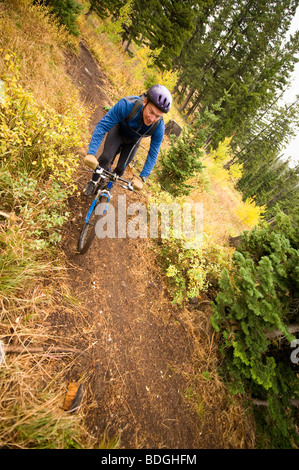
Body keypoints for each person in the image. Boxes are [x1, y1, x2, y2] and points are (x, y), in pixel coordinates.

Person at [83, 84, 172, 196]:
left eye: (157, 116)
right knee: (105, 158)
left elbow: (153, 153)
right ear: (145, 102)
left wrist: (142, 177)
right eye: (151, 112)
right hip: (118, 131)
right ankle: (93, 182)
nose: (152, 119)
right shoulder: (127, 105)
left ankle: (109, 186)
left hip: (132, 142)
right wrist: (91, 152)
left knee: (120, 169)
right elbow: (103, 126)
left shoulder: (159, 127)